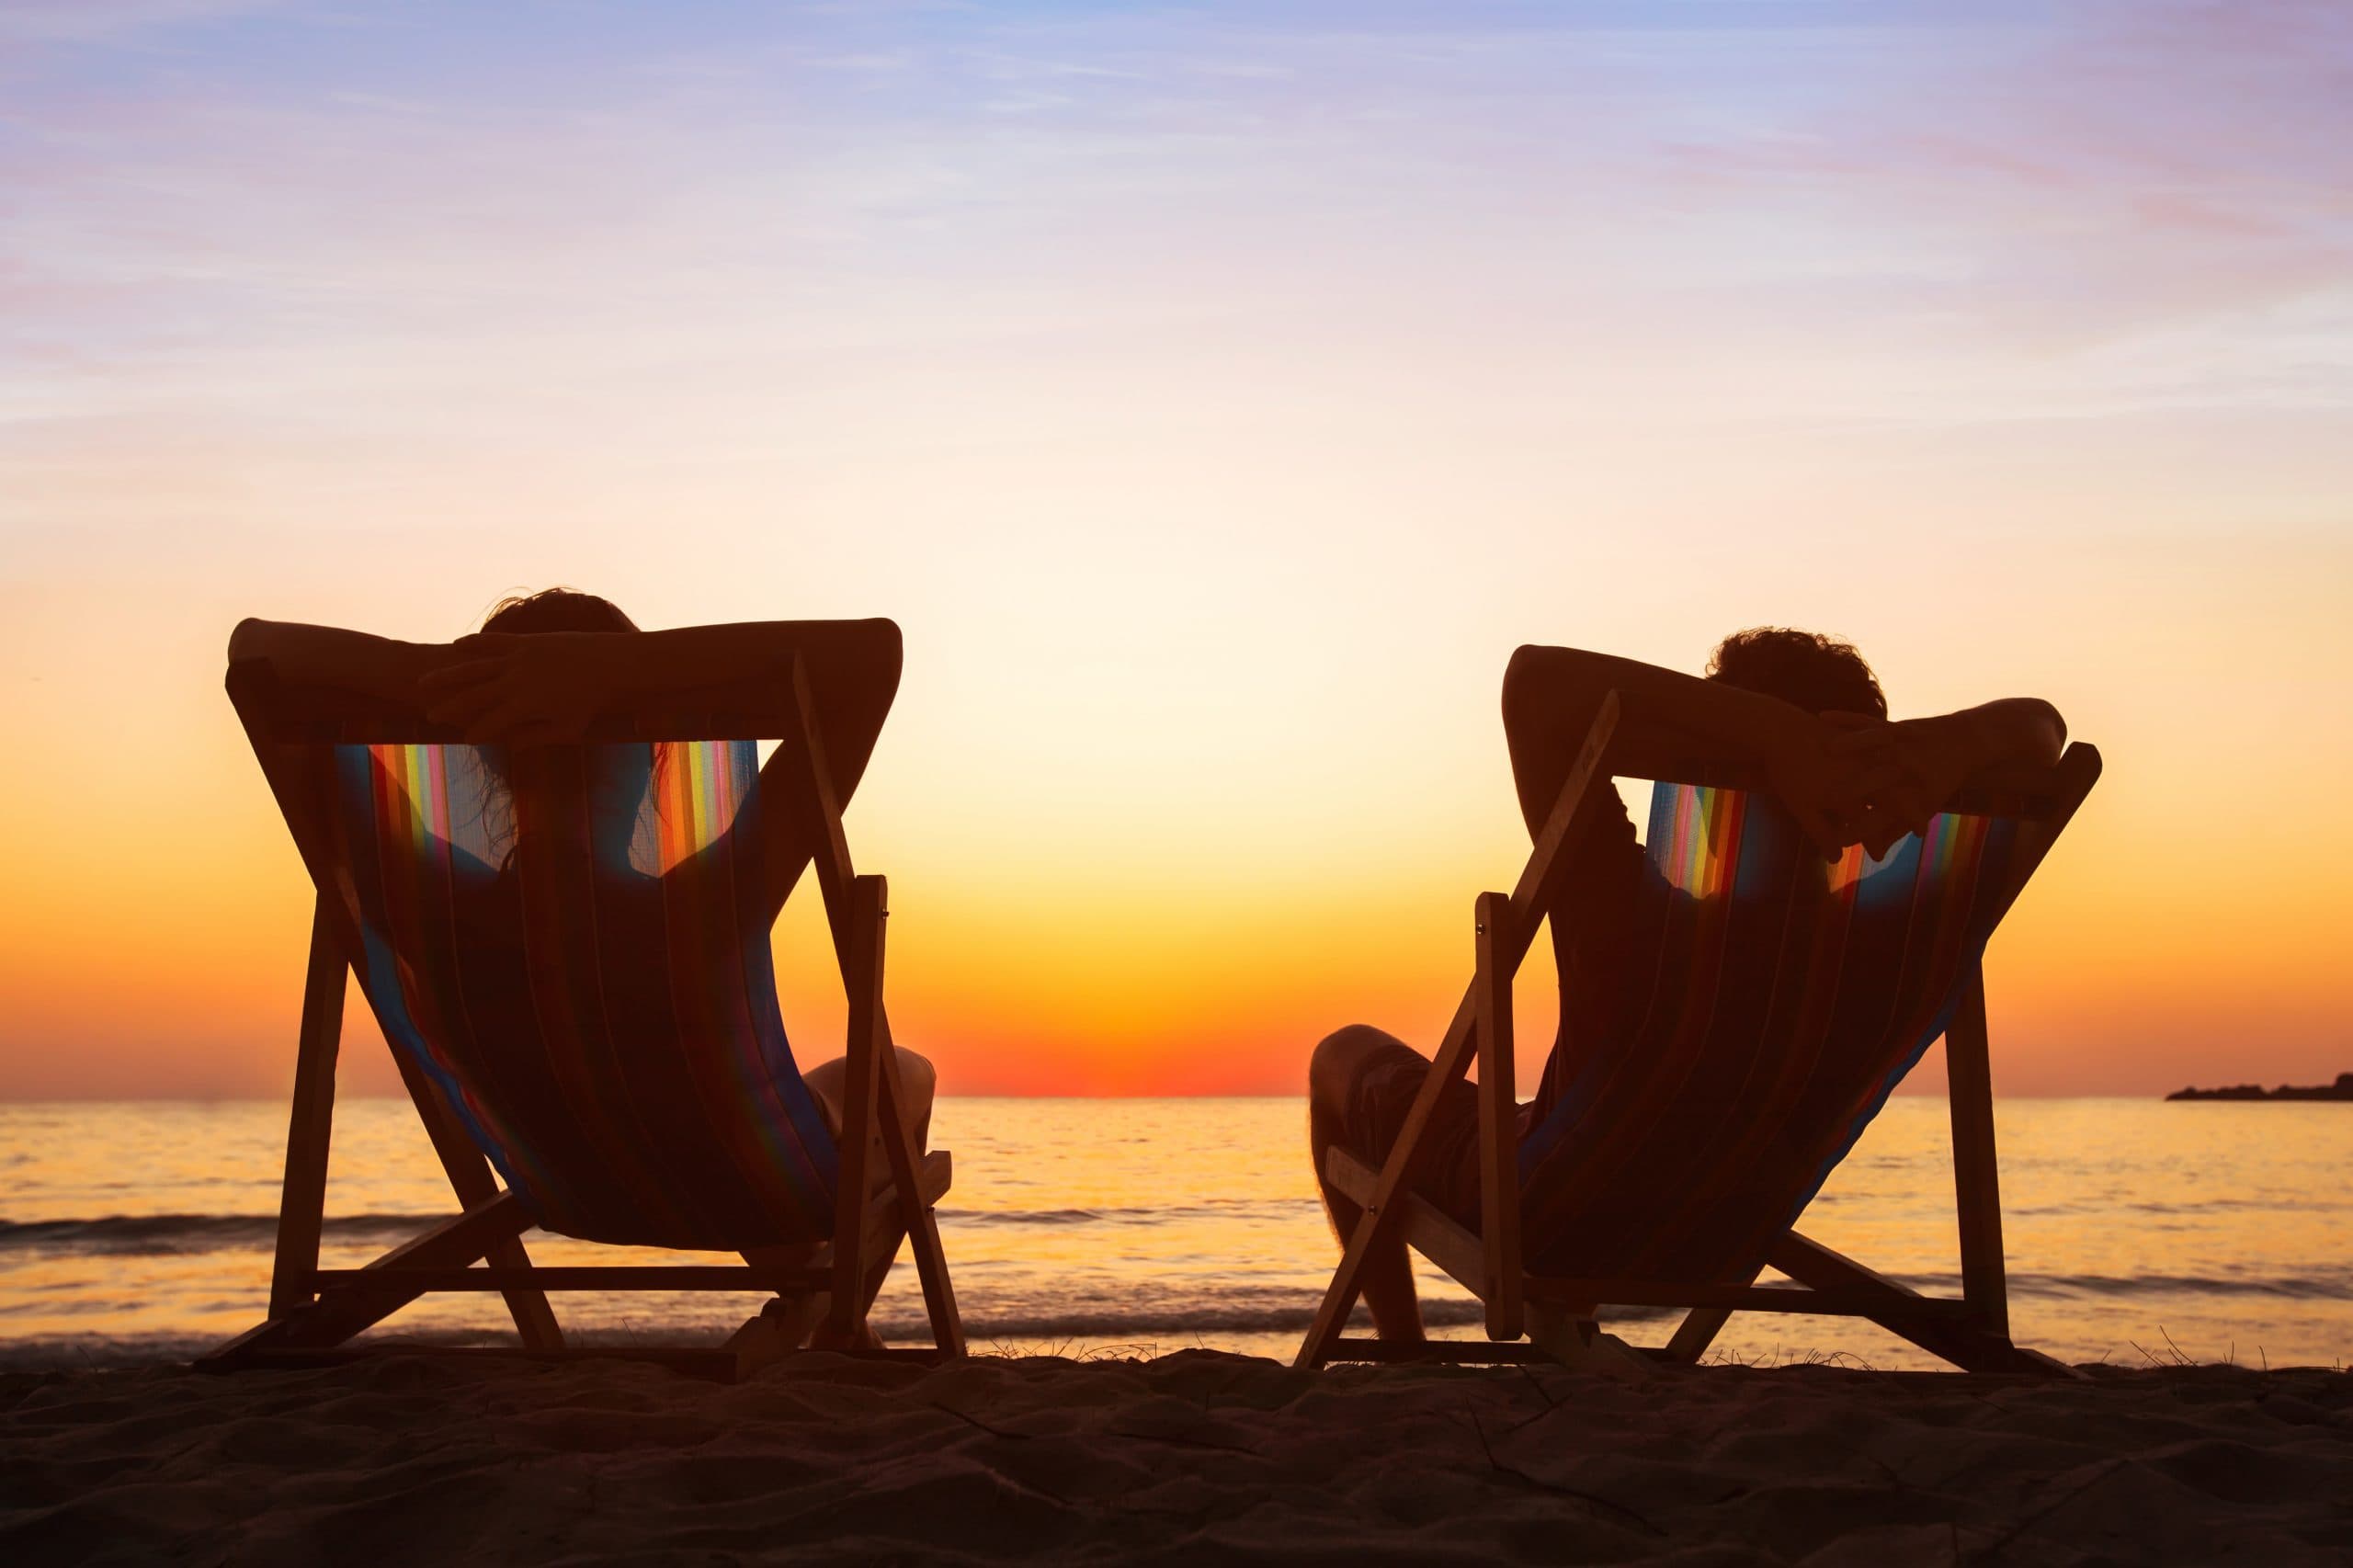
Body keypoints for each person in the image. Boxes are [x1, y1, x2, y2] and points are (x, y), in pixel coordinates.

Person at [1306, 628, 2067, 1343]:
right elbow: (2044, 730)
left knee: (1342, 1054)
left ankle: (1399, 1345)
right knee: (1551, 1119)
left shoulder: (1633, 914)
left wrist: (1764, 735)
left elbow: (1534, 681)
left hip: (1545, 1215)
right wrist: (1950, 741)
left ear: (1707, 782)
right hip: (1726, 1234)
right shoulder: (1903, 938)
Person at [229, 590, 928, 1338]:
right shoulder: (708, 910)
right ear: (650, 755)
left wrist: (451, 681)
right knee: (904, 1071)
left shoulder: (428, 907)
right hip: (756, 1188)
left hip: (567, 1188)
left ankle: (813, 1303)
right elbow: (874, 652)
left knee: (722, 1124)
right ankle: (826, 1320)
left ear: (488, 761)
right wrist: (616, 672)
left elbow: (254, 650)